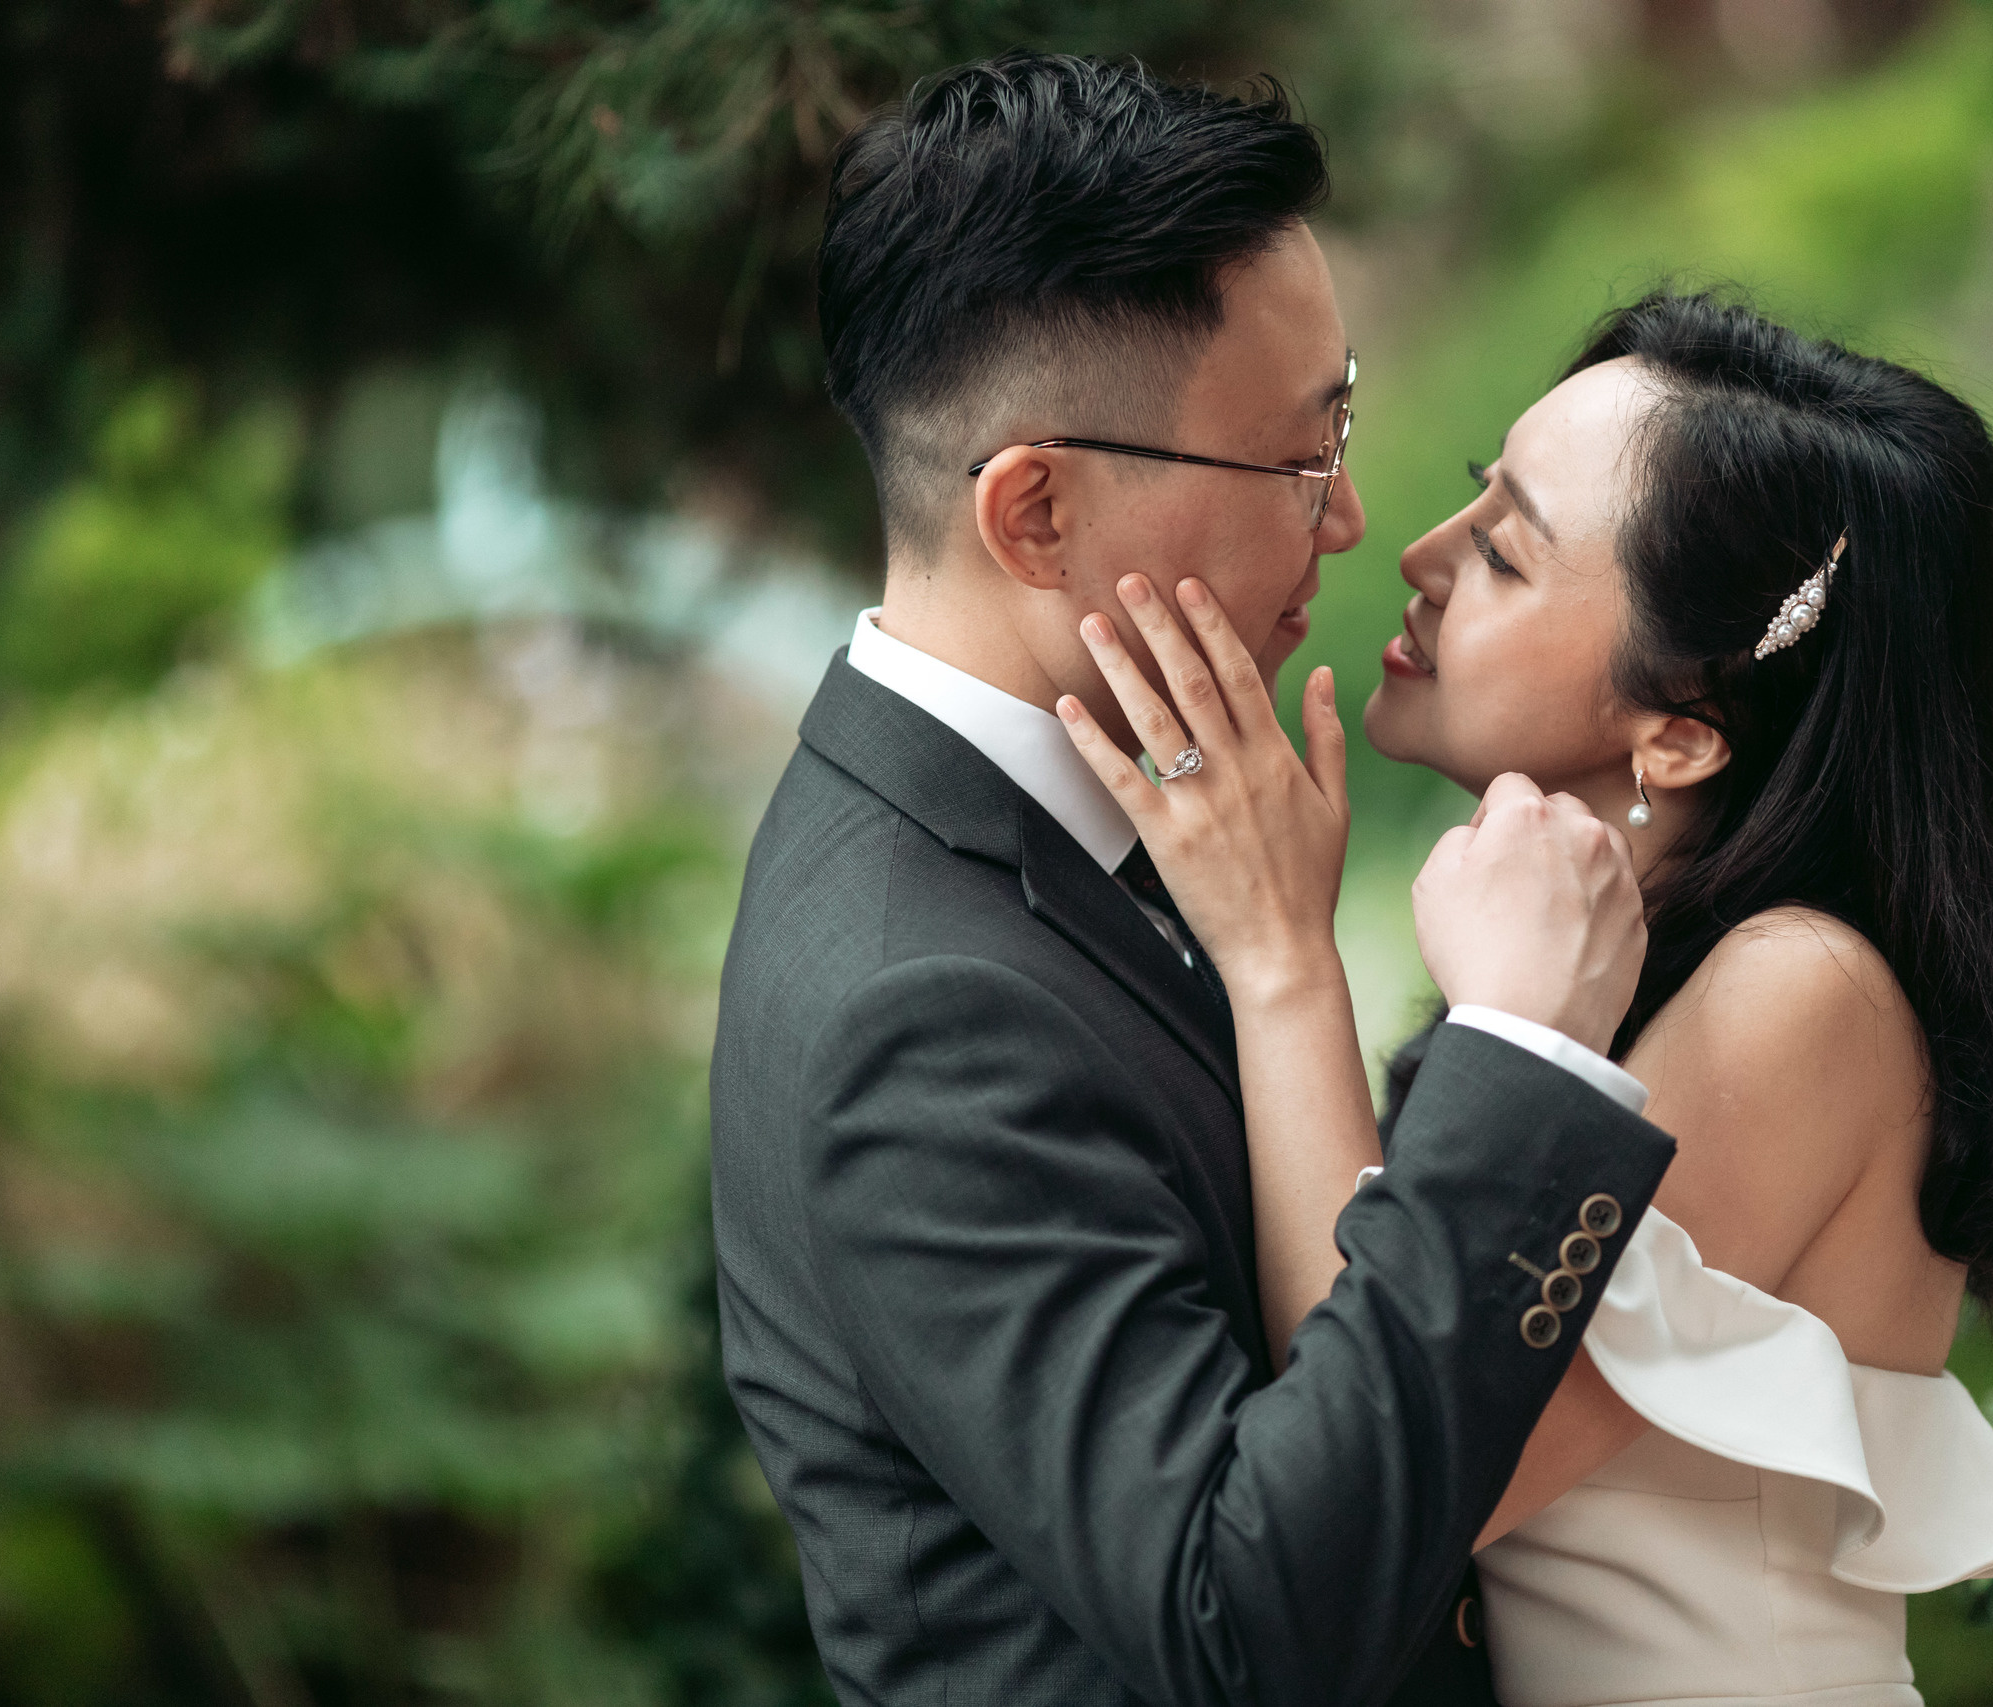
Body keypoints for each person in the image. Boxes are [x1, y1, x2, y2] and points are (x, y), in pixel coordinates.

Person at [711, 53, 1681, 1707]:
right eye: (1299, 463)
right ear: (1035, 512)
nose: (1357, 518)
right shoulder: (916, 1012)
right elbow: (1253, 1625)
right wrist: (1523, 1070)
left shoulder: (1130, 803)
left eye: (1345, 420)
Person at [1062, 291, 1993, 1705]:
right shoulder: (1643, 973)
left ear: (1678, 733)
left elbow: (1383, 1460)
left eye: (1501, 549)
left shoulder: (1803, 996)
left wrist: (1282, 962)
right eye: (1471, 495)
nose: (1420, 555)